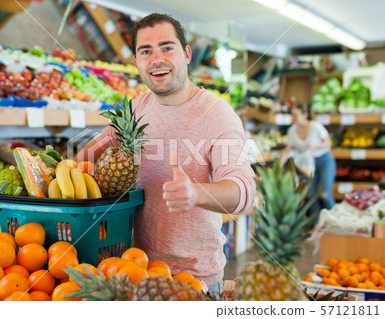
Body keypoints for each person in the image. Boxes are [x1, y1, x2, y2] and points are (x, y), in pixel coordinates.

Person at [76, 13, 256, 294]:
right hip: (135, 274)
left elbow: (244, 192)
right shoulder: (135, 109)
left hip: (194, 282)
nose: (157, 59)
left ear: (186, 54)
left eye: (167, 47)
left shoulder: (217, 114)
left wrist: (195, 193)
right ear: (136, 62)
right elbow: (86, 156)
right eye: (146, 51)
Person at [280, 104, 336, 215]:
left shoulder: (316, 126)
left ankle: (335, 220)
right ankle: (316, 225)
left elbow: (328, 143)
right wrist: (279, 166)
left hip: (324, 161)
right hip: (307, 165)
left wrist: (315, 146)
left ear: (305, 115)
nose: (293, 118)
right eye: (292, 115)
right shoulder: (292, 131)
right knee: (312, 196)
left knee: (325, 195)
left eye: (296, 115)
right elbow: (287, 151)